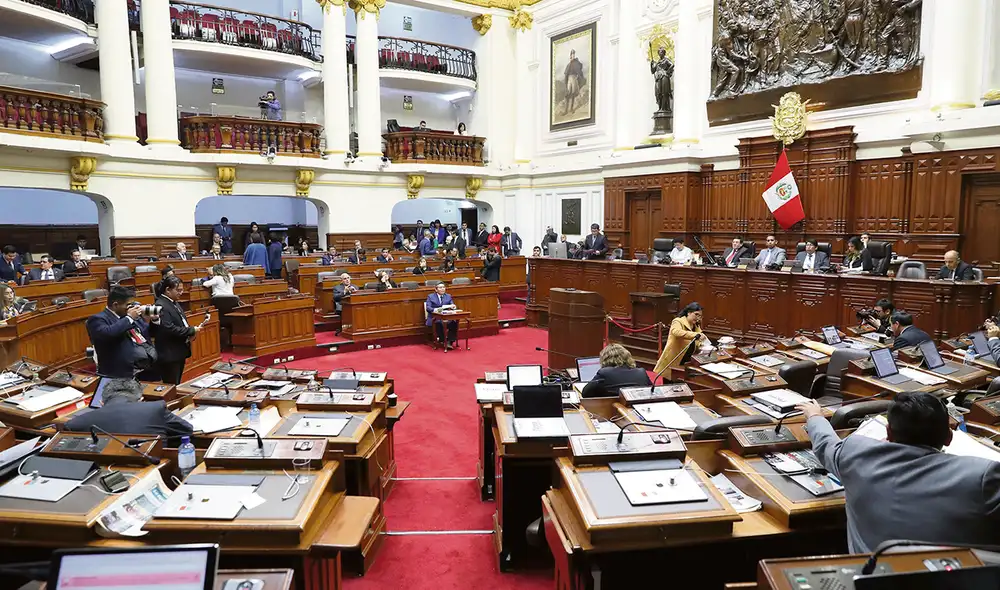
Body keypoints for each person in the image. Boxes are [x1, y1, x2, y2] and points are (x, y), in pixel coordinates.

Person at [796, 392, 1000, 554]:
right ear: (948, 437)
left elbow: (825, 444)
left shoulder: (855, 453)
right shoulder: (982, 475)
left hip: (870, 579)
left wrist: (814, 416)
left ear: (888, 433)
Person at [65, 377, 193, 442]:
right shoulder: (155, 408)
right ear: (141, 399)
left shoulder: (77, 423)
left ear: (101, 402)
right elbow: (187, 430)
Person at [86, 286, 155, 380]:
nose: (131, 307)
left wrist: (151, 319)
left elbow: (146, 333)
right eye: (128, 304)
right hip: (118, 374)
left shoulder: (128, 316)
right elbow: (108, 333)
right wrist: (129, 318)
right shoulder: (97, 319)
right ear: (115, 305)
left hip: (143, 368)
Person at [151, 276, 201, 384]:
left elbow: (181, 321)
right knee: (171, 385)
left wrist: (189, 332)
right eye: (178, 290)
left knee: (176, 383)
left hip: (177, 351)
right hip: (169, 354)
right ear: (168, 290)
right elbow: (168, 328)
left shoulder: (173, 302)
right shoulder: (160, 305)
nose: (181, 293)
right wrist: (191, 331)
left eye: (182, 290)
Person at [654, 302, 708, 374]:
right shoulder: (678, 321)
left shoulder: (696, 326)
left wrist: (705, 346)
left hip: (687, 359)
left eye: (700, 316)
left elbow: (698, 341)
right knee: (670, 382)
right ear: (689, 313)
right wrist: (695, 335)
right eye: (696, 314)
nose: (698, 318)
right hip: (674, 358)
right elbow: (676, 332)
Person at [581, 344, 652, 398]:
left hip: (611, 413)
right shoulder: (641, 372)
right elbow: (653, 392)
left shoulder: (604, 373)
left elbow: (585, 394)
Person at [425, 282, 458, 350]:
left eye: (443, 287)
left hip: (446, 317)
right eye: (440, 287)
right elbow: (428, 308)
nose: (442, 289)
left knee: (454, 322)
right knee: (439, 323)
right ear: (436, 290)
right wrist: (435, 310)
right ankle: (443, 340)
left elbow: (452, 304)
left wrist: (453, 306)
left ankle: (449, 342)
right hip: (434, 318)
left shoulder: (448, 296)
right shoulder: (430, 296)